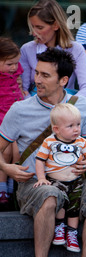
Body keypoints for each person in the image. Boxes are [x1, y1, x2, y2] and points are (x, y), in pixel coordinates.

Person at [0, 47, 86, 257]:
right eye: (37, 73)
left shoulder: (81, 106)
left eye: (45, 75)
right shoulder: (20, 109)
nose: (37, 80)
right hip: (34, 182)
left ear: (63, 80)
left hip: (75, 181)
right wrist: (7, 169)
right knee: (49, 195)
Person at [34, 103, 86, 253]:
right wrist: (41, 178)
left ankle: (72, 234)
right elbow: (40, 160)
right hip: (55, 181)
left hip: (75, 181)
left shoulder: (81, 141)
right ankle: (60, 226)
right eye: (70, 126)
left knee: (75, 206)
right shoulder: (49, 142)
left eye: (78, 124)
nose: (76, 129)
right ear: (56, 129)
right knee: (60, 202)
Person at [20, 0, 86, 100]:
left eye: (39, 27)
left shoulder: (76, 49)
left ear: (56, 25)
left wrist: (70, 106)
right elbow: (23, 90)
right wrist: (36, 107)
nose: (34, 33)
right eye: (32, 27)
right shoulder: (26, 49)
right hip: (35, 105)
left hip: (67, 106)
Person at [0, 37, 23, 207]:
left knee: (17, 151)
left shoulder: (15, 72)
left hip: (17, 118)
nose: (14, 67)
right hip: (2, 119)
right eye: (9, 64)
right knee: (5, 151)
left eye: (16, 63)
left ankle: (13, 186)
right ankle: (3, 189)